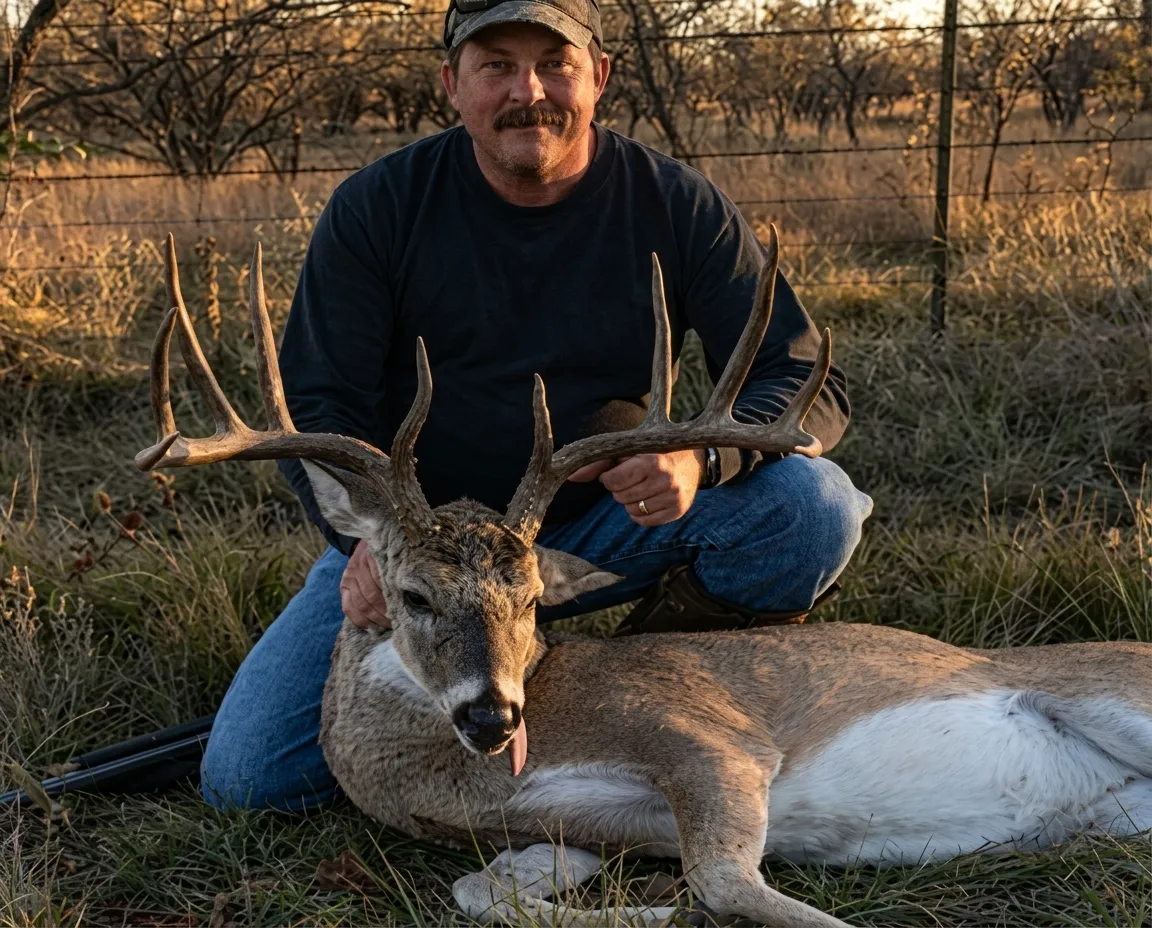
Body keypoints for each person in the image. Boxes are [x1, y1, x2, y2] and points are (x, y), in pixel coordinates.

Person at [199, 0, 873, 811]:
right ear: (452, 83)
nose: (530, 90)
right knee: (251, 780)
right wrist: (372, 546)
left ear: (599, 78)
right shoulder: (379, 207)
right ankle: (508, 674)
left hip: (602, 527)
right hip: (424, 555)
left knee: (810, 508)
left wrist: (701, 460)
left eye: (556, 62)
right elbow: (321, 401)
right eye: (496, 66)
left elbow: (807, 385)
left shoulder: (675, 203)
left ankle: (636, 695)